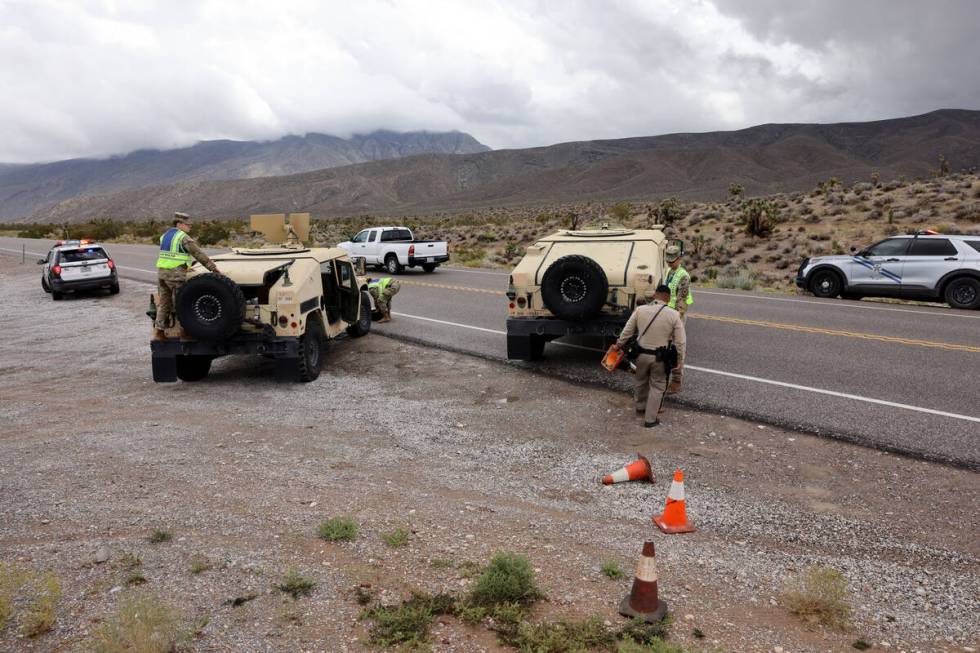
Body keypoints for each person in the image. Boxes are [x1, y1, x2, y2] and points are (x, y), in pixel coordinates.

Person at [611, 285, 686, 427]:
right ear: (668, 298)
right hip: (660, 358)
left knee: (640, 381)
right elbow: (681, 342)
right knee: (657, 386)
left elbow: (627, 331)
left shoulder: (640, 310)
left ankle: (640, 408)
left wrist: (618, 345)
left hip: (641, 355)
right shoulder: (673, 314)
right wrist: (680, 360)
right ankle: (650, 419)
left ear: (655, 295)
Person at [154, 212, 221, 340]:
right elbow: (198, 254)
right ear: (179, 224)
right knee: (182, 303)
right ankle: (184, 332)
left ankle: (159, 332)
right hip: (176, 276)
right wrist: (213, 268)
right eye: (187, 225)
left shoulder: (165, 236)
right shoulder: (183, 237)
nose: (189, 227)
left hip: (162, 275)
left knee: (164, 303)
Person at [664, 244, 692, 394]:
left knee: (678, 348)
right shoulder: (669, 271)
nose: (670, 263)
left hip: (676, 316)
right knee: (665, 347)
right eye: (668, 260)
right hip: (667, 313)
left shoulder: (684, 276)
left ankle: (676, 380)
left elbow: (681, 301)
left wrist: (675, 317)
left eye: (672, 260)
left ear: (679, 259)